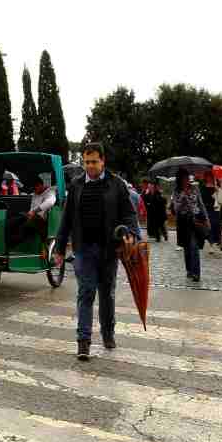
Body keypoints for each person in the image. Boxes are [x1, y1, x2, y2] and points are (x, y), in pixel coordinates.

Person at [52, 143, 137, 361]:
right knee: (86, 291)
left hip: (109, 249)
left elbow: (128, 214)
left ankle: (108, 333)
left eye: (94, 162)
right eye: (86, 162)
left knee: (107, 293)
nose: (89, 166)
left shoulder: (116, 185)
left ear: (103, 161)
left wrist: (131, 234)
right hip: (83, 249)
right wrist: (60, 247)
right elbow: (67, 219)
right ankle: (83, 341)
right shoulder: (77, 185)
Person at [170, 171, 206, 283]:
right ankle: (189, 270)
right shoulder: (176, 191)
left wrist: (206, 219)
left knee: (194, 246)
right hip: (183, 221)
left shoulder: (195, 188)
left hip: (195, 220)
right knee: (187, 248)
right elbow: (175, 209)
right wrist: (183, 196)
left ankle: (196, 273)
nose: (186, 180)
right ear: (179, 179)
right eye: (183, 178)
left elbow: (200, 204)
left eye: (187, 177)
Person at [5, 178, 56, 247]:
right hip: (32, 216)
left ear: (40, 185)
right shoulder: (35, 194)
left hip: (42, 220)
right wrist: (29, 214)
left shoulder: (50, 192)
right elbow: (31, 208)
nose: (34, 191)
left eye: (35, 188)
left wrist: (34, 211)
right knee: (13, 220)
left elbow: (50, 202)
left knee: (23, 226)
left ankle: (14, 243)